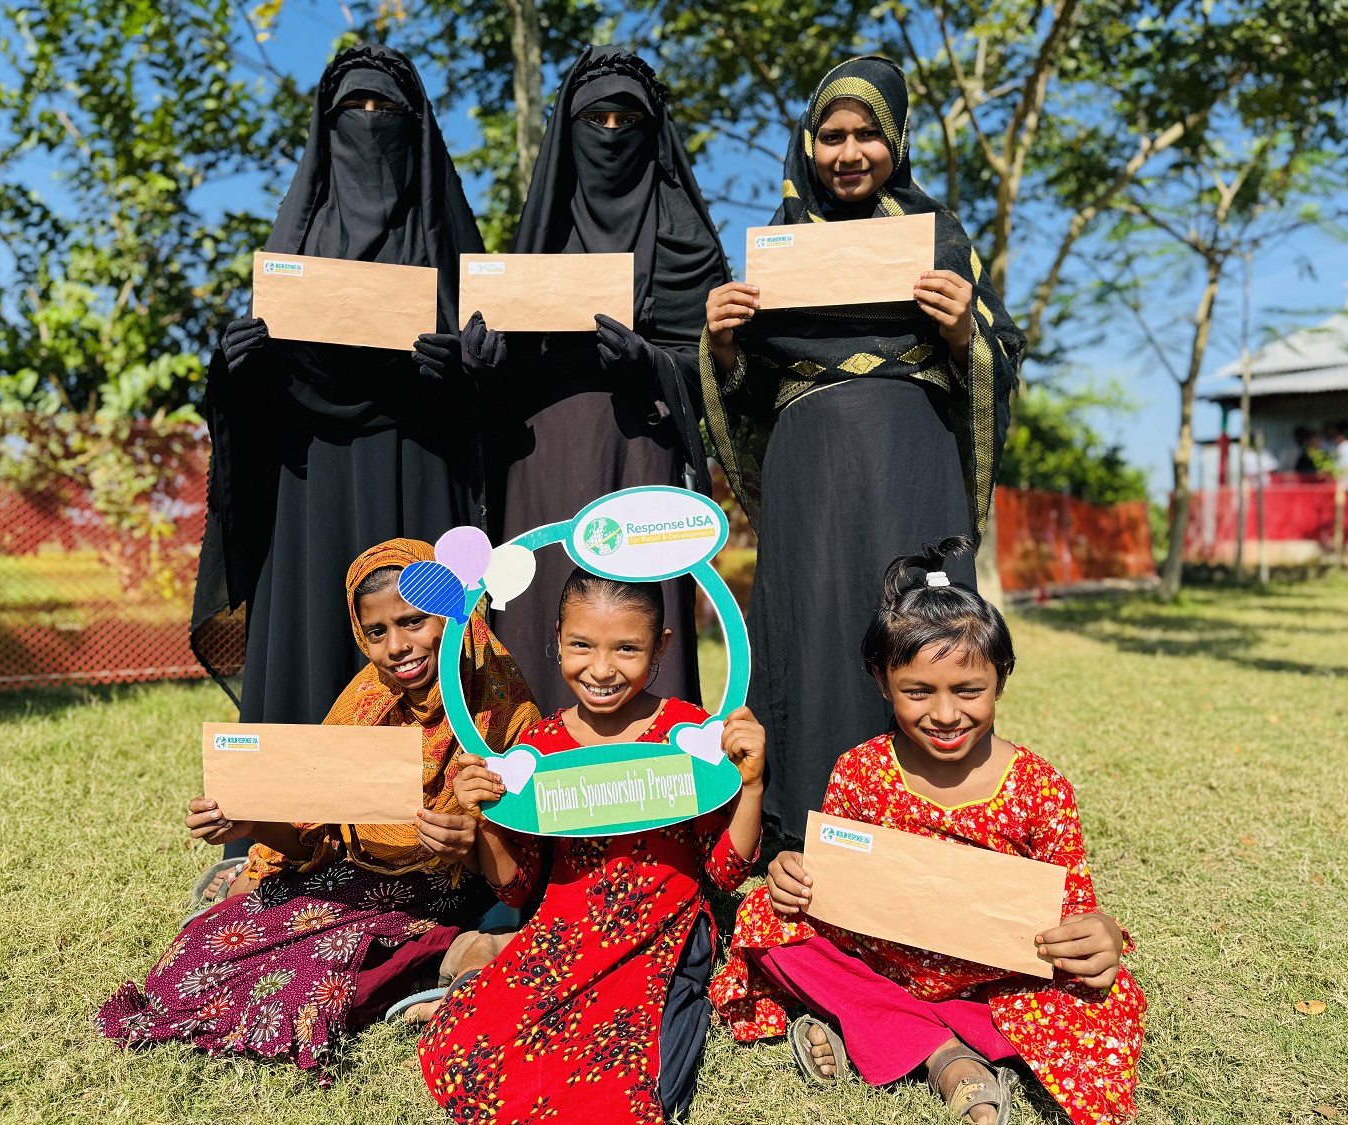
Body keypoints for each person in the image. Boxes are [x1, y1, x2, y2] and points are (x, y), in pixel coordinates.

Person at [709, 537, 1145, 1125]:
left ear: (1001, 680)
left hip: (993, 982)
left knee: (1105, 996)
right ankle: (946, 1053)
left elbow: (1075, 912)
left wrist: (1099, 937)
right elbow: (831, 882)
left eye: (968, 691)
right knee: (765, 919)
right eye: (917, 692)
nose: (944, 714)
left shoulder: (1040, 787)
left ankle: (874, 1026)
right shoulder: (860, 770)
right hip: (878, 961)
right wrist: (793, 878)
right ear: (881, 681)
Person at [700, 56, 1026, 838]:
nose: (849, 152)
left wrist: (962, 331)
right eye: (832, 135)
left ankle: (930, 826)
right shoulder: (779, 246)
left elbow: (1000, 354)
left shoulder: (938, 235)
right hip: (808, 474)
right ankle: (802, 826)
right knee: (812, 629)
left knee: (922, 627)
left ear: (898, 140)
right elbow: (745, 395)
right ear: (809, 143)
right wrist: (721, 344)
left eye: (868, 134)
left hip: (911, 466)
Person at [98, 540, 541, 1079]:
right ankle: (439, 967)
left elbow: (521, 884)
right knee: (195, 956)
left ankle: (456, 954)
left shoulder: (507, 711)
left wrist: (469, 842)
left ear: (453, 614)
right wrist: (252, 823)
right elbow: (317, 835)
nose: (397, 647)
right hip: (351, 877)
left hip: (447, 894)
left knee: (319, 982)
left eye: (414, 621)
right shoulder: (366, 701)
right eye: (376, 632)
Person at [190, 44, 486, 759]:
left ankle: (438, 809)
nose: (371, 119)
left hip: (420, 464)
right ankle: (298, 806)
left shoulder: (448, 246)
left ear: (416, 126)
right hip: (308, 480)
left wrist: (462, 368)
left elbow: (495, 390)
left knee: (424, 629)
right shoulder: (297, 242)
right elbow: (250, 401)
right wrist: (236, 365)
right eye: (354, 107)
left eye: (387, 108)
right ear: (327, 127)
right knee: (312, 627)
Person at [418, 570, 766, 1123]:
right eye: (582, 645)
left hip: (663, 932)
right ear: (557, 638)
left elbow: (725, 873)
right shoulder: (539, 748)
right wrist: (486, 818)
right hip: (562, 932)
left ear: (661, 648)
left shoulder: (689, 735)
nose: (601, 670)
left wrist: (750, 786)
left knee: (618, 1091)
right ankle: (478, 975)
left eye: (626, 648)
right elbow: (516, 887)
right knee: (467, 1054)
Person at [470, 47, 729, 713]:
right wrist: (486, 364)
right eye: (596, 120)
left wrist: (652, 364)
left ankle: (656, 770)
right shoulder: (540, 240)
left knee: (641, 608)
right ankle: (532, 762)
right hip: (540, 461)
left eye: (627, 120)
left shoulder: (687, 245)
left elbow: (718, 370)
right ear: (570, 130)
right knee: (538, 611)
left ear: (653, 132)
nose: (612, 133)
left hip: (642, 452)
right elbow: (503, 376)